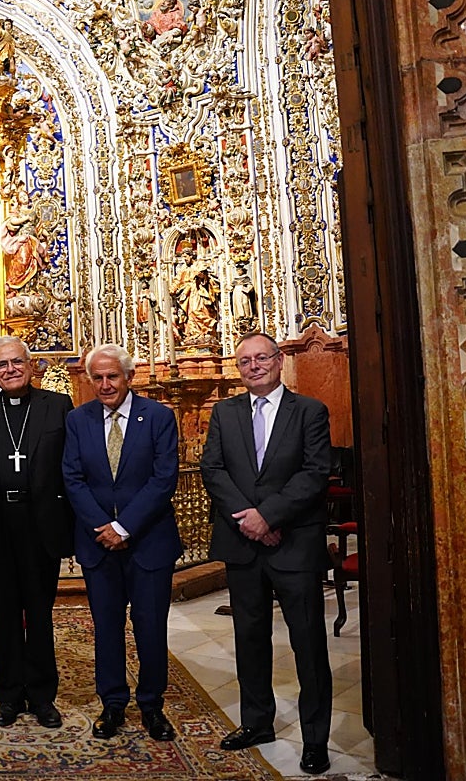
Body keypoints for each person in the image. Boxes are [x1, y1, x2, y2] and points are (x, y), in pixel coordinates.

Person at [200, 332, 333, 776]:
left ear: (279, 361)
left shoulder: (310, 411)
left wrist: (269, 517)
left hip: (294, 543)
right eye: (245, 361)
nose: (254, 366)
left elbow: (315, 473)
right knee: (249, 639)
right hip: (243, 544)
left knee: (308, 643)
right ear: (238, 369)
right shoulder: (224, 411)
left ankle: (315, 739)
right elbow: (212, 469)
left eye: (261, 358)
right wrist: (249, 519)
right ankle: (257, 723)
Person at [62, 344, 181, 742]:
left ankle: (152, 705)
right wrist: (103, 527)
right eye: (97, 377)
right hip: (98, 545)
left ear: (129, 377)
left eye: (112, 376)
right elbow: (72, 478)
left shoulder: (159, 417)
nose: (105, 384)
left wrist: (125, 527)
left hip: (148, 542)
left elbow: (164, 479)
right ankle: (112, 703)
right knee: (107, 628)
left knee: (150, 627)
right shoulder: (78, 420)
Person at [0, 337, 74, 728]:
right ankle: (8, 695)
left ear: (31, 365)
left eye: (16, 362)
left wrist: (71, 531)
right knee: (4, 616)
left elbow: (71, 471)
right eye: (1, 365)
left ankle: (42, 695)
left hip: (41, 524)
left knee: (39, 614)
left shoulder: (57, 406)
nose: (10, 369)